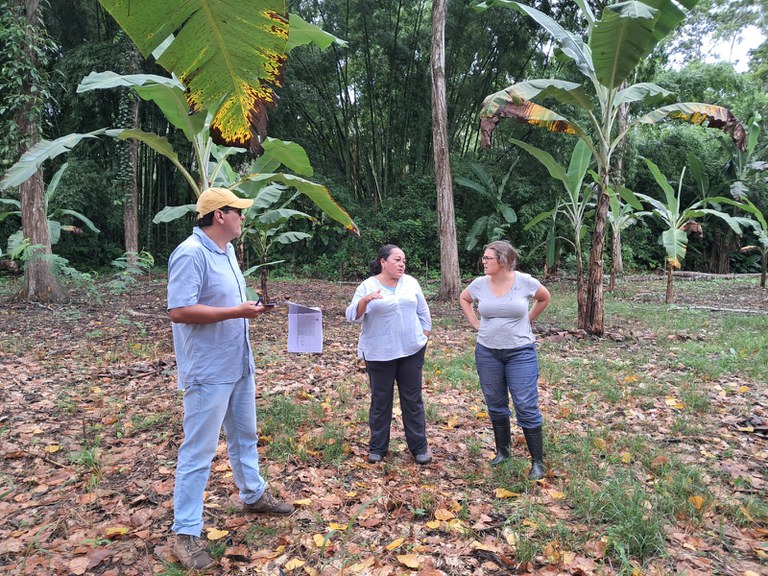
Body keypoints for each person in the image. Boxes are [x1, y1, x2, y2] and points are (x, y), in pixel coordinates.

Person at [167, 187, 293, 570]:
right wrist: (236, 312)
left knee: (245, 435)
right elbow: (179, 310)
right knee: (199, 450)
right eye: (237, 211)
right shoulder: (190, 253)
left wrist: (248, 309)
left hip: (238, 362)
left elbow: (224, 304)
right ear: (219, 215)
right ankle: (185, 532)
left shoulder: (227, 252)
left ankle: (253, 494)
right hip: (208, 369)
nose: (242, 217)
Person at [459, 240, 551, 479]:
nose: (483, 261)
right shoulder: (480, 284)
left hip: (520, 352)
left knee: (525, 404)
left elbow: (544, 297)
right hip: (487, 352)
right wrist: (474, 322)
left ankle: (537, 462)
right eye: (484, 257)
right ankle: (503, 452)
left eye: (488, 258)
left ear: (503, 260)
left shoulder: (524, 281)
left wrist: (528, 318)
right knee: (495, 402)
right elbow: (464, 298)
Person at [346, 244, 433, 465]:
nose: (402, 264)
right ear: (383, 262)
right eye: (397, 260)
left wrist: (423, 335)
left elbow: (423, 312)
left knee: (413, 400)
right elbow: (352, 317)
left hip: (411, 350)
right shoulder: (368, 286)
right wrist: (365, 301)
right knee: (381, 400)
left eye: (404, 260)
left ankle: (419, 448)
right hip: (379, 353)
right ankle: (377, 448)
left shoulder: (411, 282)